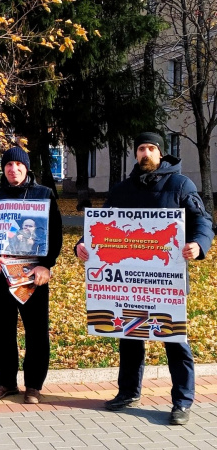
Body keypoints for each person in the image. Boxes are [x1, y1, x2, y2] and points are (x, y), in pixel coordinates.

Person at [75, 132, 214, 425]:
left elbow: (202, 220)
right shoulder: (122, 189)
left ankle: (182, 401)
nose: (146, 153)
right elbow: (101, 224)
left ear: (160, 153)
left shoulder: (180, 185)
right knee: (129, 335)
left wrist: (199, 244)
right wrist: (82, 244)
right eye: (141, 148)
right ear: (135, 154)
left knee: (174, 339)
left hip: (167, 282)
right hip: (128, 283)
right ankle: (128, 392)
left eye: (151, 148)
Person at [0, 146, 63, 404]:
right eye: (8, 165)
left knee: (36, 331)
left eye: (18, 165)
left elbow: (56, 234)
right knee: (2, 331)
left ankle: (33, 386)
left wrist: (46, 265)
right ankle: (5, 382)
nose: (13, 169)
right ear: (3, 169)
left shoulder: (43, 194)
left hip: (32, 275)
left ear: (27, 168)